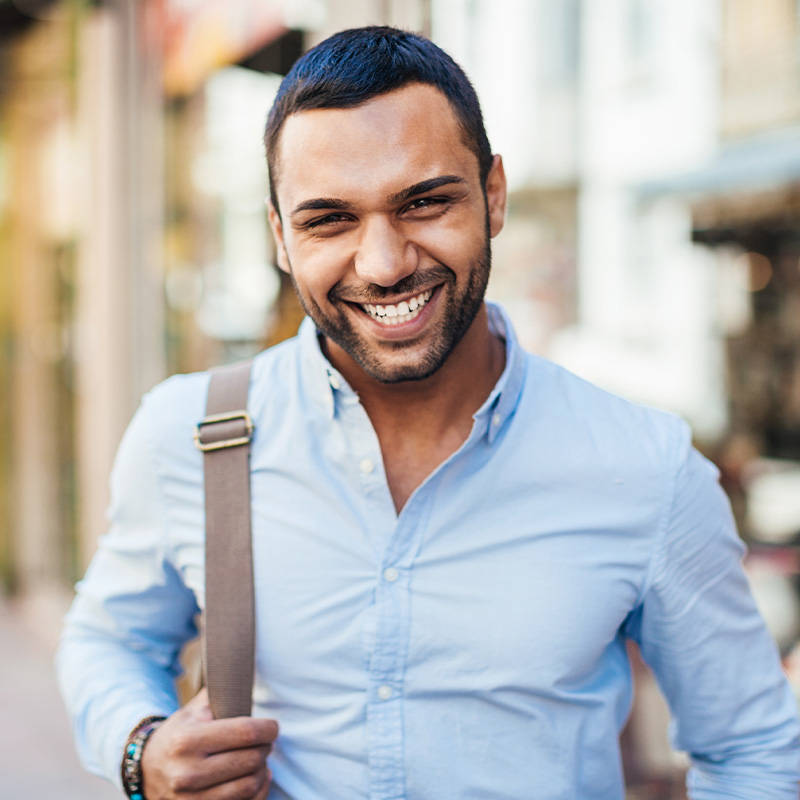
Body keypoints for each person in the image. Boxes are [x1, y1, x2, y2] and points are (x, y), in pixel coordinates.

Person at [57, 26, 800, 800]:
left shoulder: (646, 467)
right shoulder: (190, 437)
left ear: (495, 195)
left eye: (424, 202)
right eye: (329, 220)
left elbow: (752, 750)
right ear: (281, 236)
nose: (384, 264)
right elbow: (108, 638)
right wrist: (141, 747)